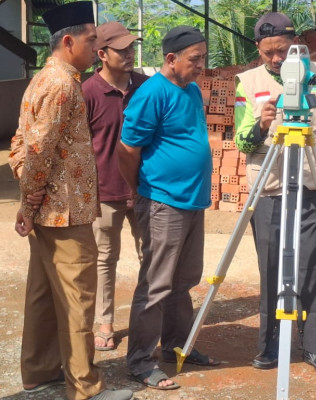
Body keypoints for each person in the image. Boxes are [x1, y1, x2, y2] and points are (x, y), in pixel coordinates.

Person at [8, 2, 133, 399]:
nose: (96, 46)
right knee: (79, 300)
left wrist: (30, 205)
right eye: (91, 39)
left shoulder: (42, 80)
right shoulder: (63, 85)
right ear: (68, 41)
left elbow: (20, 145)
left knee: (44, 295)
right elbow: (39, 152)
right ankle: (86, 387)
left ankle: (40, 371)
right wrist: (28, 206)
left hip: (52, 210)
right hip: (66, 211)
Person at [234, 12, 316, 378]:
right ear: (258, 48)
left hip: (311, 184)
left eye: (283, 51)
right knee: (271, 268)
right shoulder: (246, 82)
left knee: (314, 267)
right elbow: (240, 141)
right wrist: (260, 124)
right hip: (268, 189)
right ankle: (270, 345)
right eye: (268, 52)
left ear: (295, 44)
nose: (276, 59)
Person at [118, 25, 220, 390]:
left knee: (185, 280)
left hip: (192, 202)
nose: (201, 66)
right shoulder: (151, 93)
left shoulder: (191, 90)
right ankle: (141, 362)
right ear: (171, 58)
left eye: (204, 58)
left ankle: (177, 345)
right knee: (156, 284)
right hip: (162, 201)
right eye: (195, 59)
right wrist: (140, 192)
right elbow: (127, 149)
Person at [82, 21, 148, 352]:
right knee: (105, 259)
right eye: (121, 49)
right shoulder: (88, 92)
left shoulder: (145, 86)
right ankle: (104, 321)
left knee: (150, 254)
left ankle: (149, 318)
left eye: (131, 47)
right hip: (105, 191)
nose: (129, 53)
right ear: (102, 54)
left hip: (145, 189)